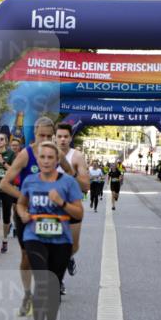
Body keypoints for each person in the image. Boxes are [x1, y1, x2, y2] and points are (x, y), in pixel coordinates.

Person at [0, 117, 73, 317]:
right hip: (26, 214)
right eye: (42, 135)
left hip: (49, 214)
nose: (46, 139)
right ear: (35, 134)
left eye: (50, 136)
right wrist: (25, 198)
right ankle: (27, 294)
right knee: (26, 257)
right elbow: (4, 184)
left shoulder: (55, 154)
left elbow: (70, 173)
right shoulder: (25, 154)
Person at [16, 141, 83, 320]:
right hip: (34, 237)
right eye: (42, 157)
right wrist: (22, 214)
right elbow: (21, 203)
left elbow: (79, 213)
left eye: (50, 158)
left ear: (57, 161)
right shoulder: (30, 181)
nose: (45, 161)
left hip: (61, 241)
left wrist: (62, 203)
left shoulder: (68, 183)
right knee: (42, 282)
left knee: (52, 287)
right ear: (37, 159)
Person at [54, 123, 89, 290]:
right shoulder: (46, 154)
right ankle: (57, 280)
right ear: (54, 137)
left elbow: (86, 186)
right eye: (59, 136)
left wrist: (71, 172)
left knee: (73, 246)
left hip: (72, 205)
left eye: (65, 136)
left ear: (70, 138)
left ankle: (68, 258)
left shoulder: (77, 157)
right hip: (51, 207)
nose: (62, 139)